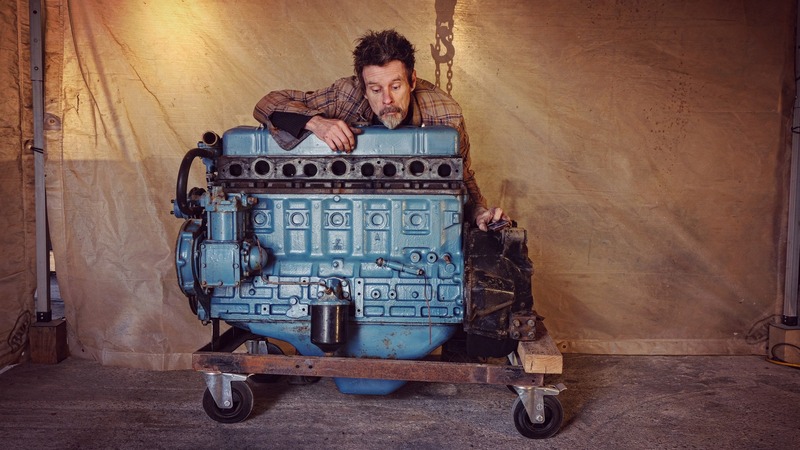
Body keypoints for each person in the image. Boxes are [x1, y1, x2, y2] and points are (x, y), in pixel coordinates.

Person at [253, 29, 508, 231]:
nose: (386, 100)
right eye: (375, 90)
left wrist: (479, 211)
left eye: (395, 86)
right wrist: (316, 122)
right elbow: (268, 104)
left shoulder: (445, 115)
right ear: (363, 88)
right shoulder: (345, 96)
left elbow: (463, 176)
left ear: (412, 81)